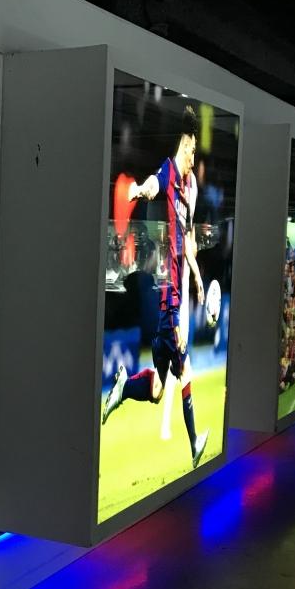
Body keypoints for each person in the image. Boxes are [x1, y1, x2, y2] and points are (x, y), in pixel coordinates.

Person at [101, 106, 209, 468]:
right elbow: (152, 186)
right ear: (185, 145)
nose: (194, 158)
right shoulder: (169, 172)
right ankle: (194, 442)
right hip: (168, 299)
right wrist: (136, 191)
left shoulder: (190, 187)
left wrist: (197, 276)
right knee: (186, 370)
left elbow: (189, 238)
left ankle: (122, 388)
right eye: (192, 151)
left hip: (175, 293)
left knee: (159, 388)